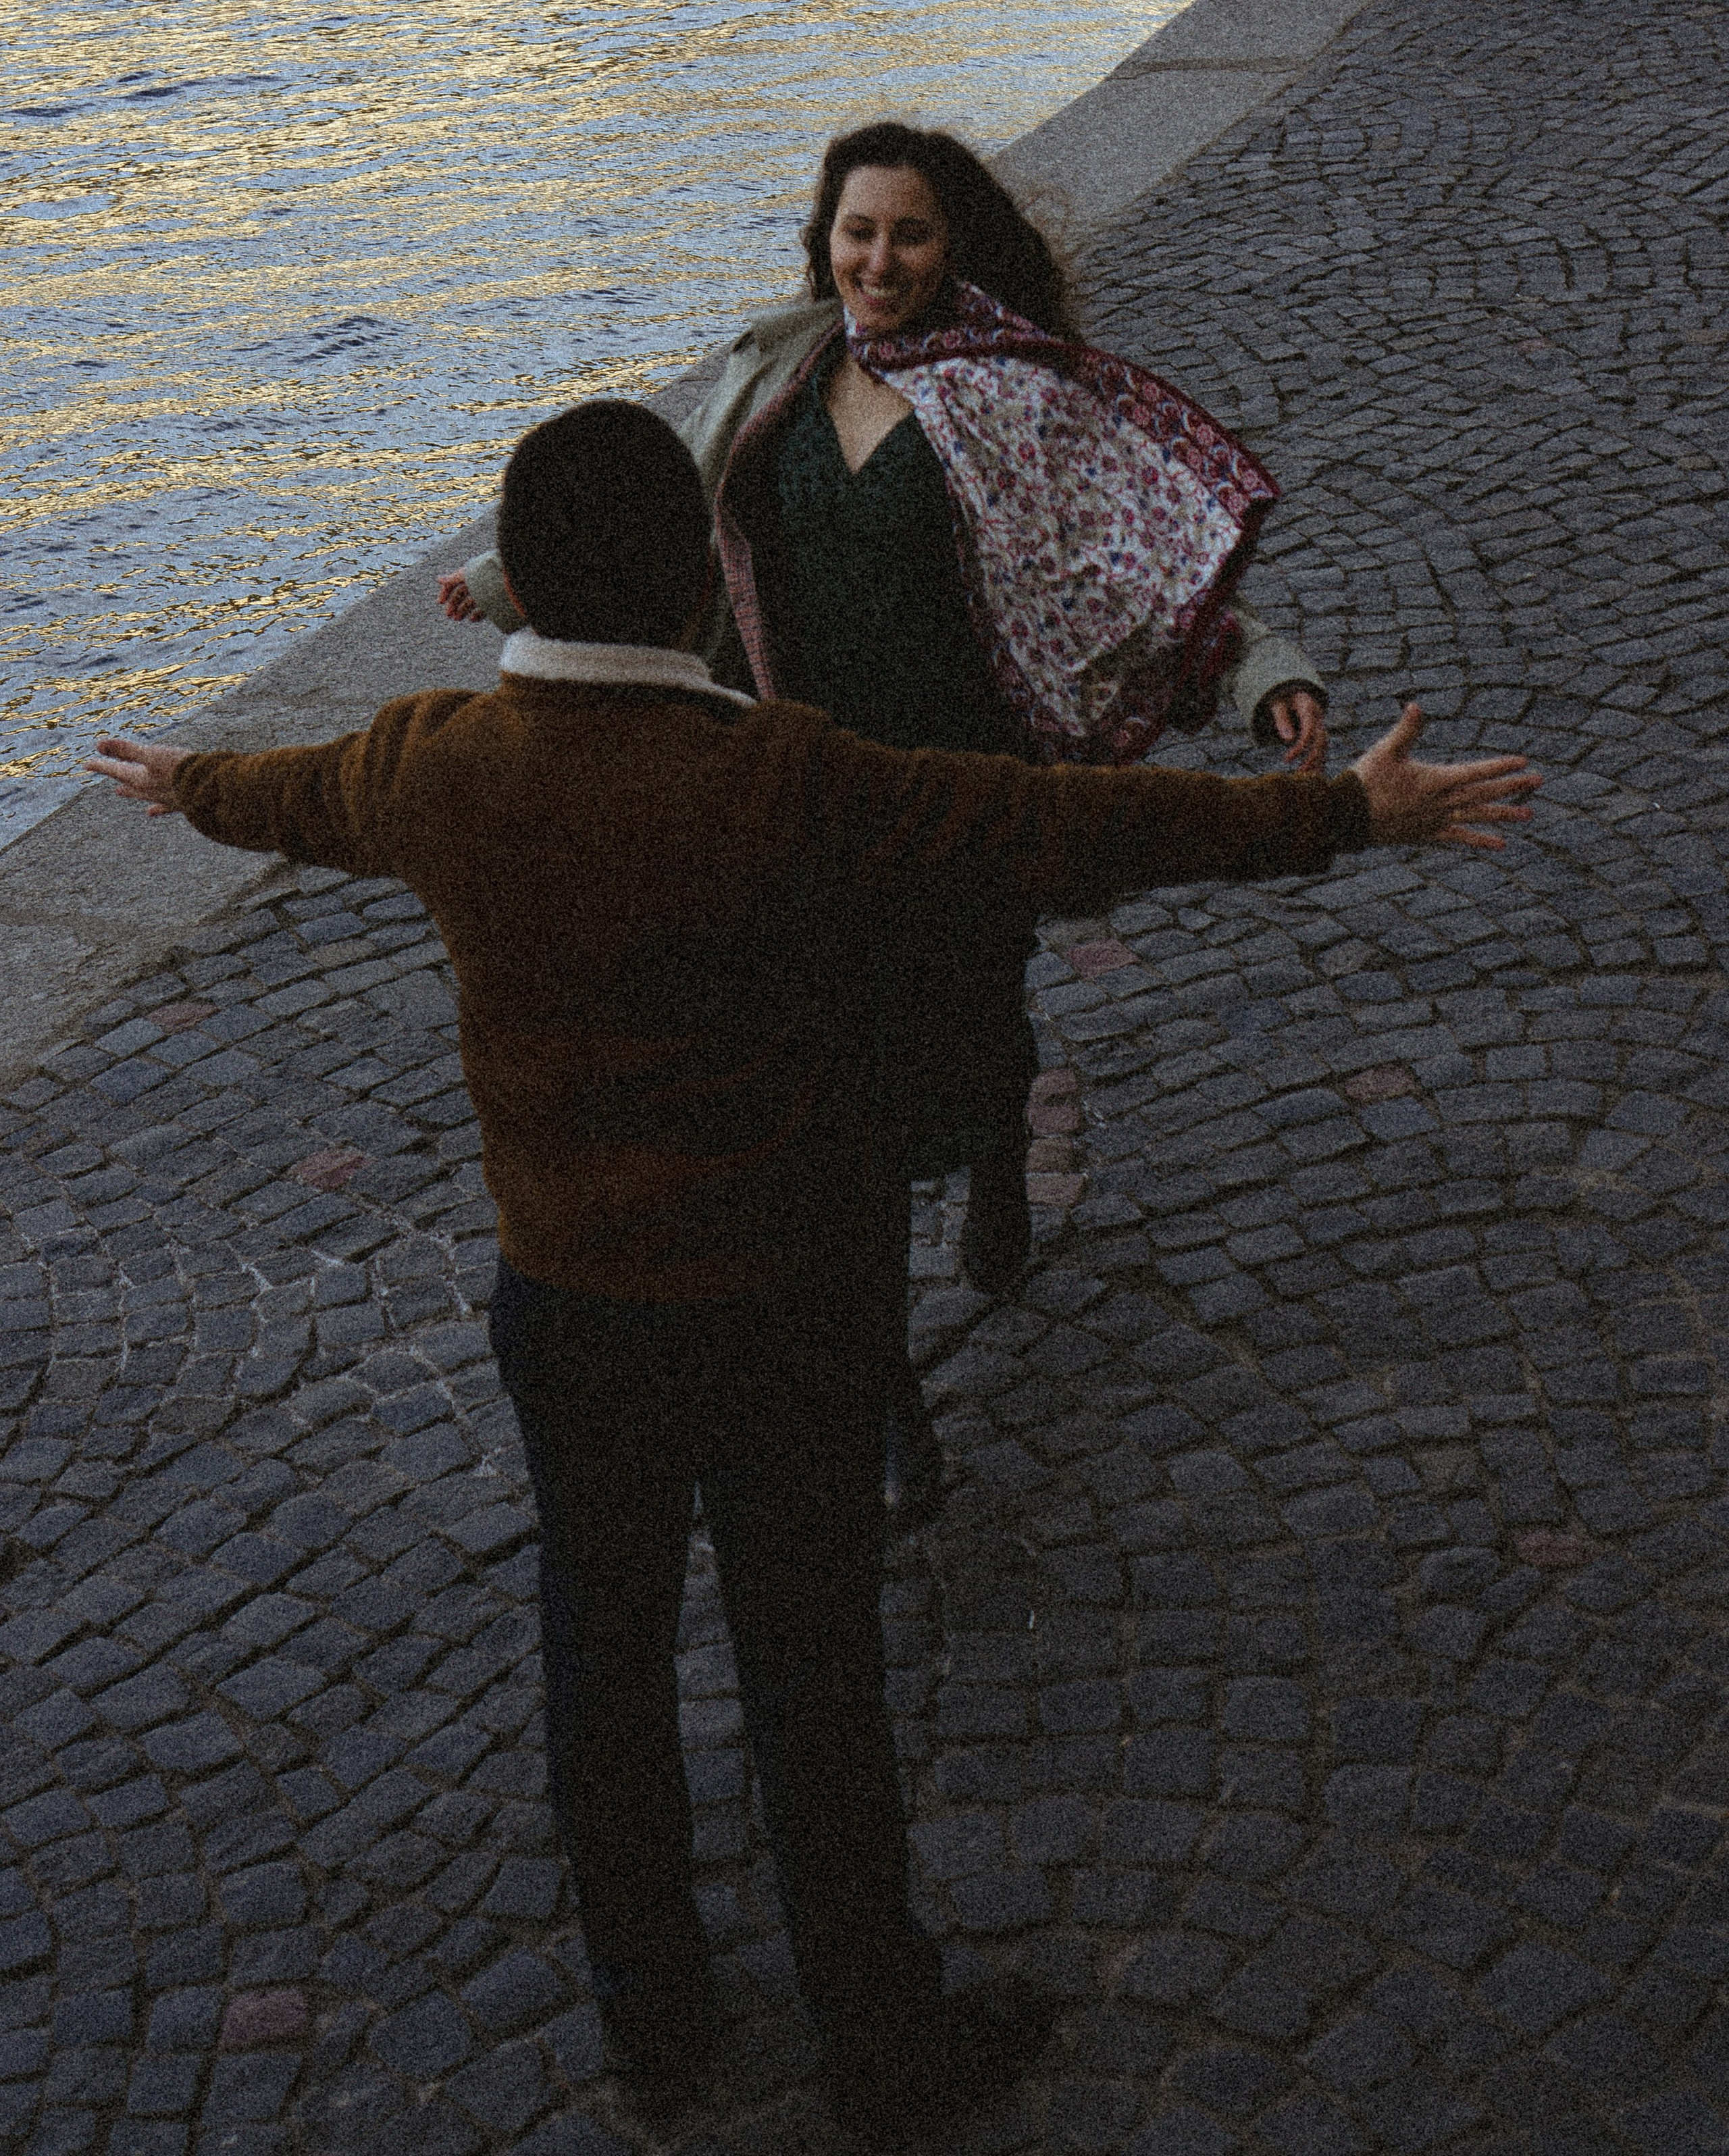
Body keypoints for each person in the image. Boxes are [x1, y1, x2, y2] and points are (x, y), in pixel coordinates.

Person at [93, 403, 1534, 2144]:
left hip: (571, 1302)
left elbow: (290, 796)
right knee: (812, 1678)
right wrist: (1338, 824)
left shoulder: (434, 762)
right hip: (783, 1300)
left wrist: (186, 790)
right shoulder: (786, 779)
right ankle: (878, 2035)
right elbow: (1054, 828)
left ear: (522, 578)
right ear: (701, 589)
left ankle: (657, 2024)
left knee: (598, 1654)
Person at [440, 124, 1332, 1516]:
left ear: (951, 246)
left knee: (970, 1044)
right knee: (832, 1127)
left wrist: (1264, 675)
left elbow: (1135, 583)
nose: (878, 262)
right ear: (824, 240)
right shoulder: (778, 376)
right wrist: (510, 583)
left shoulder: (1009, 403)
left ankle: (992, 1148)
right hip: (802, 800)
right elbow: (654, 510)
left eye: (907, 236)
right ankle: (885, 1403)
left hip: (963, 797)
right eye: (856, 234)